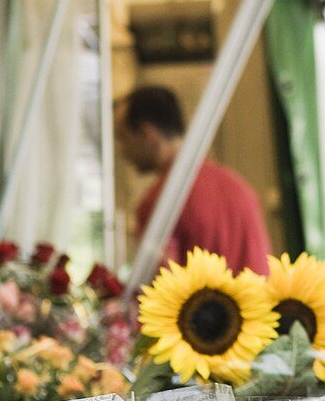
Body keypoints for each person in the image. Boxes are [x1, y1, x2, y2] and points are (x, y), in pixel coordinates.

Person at [115, 86, 272, 276]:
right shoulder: (237, 185)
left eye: (122, 138)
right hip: (259, 304)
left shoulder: (159, 203)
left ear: (147, 133)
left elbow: (161, 287)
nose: (122, 152)